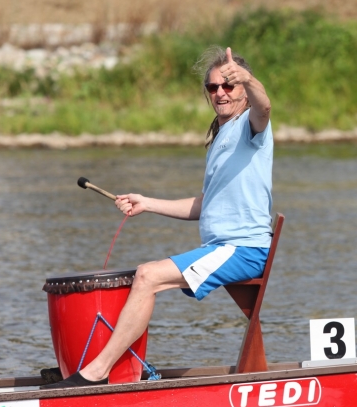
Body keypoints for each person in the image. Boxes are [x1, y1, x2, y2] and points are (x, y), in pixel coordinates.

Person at [44, 46, 273, 388]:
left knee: (148, 275)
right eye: (213, 88)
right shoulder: (222, 136)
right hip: (226, 248)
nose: (221, 93)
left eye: (229, 86)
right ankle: (112, 369)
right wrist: (147, 203)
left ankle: (95, 372)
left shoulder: (250, 127)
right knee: (142, 276)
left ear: (242, 89)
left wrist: (250, 79)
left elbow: (265, 106)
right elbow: (203, 207)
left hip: (244, 249)